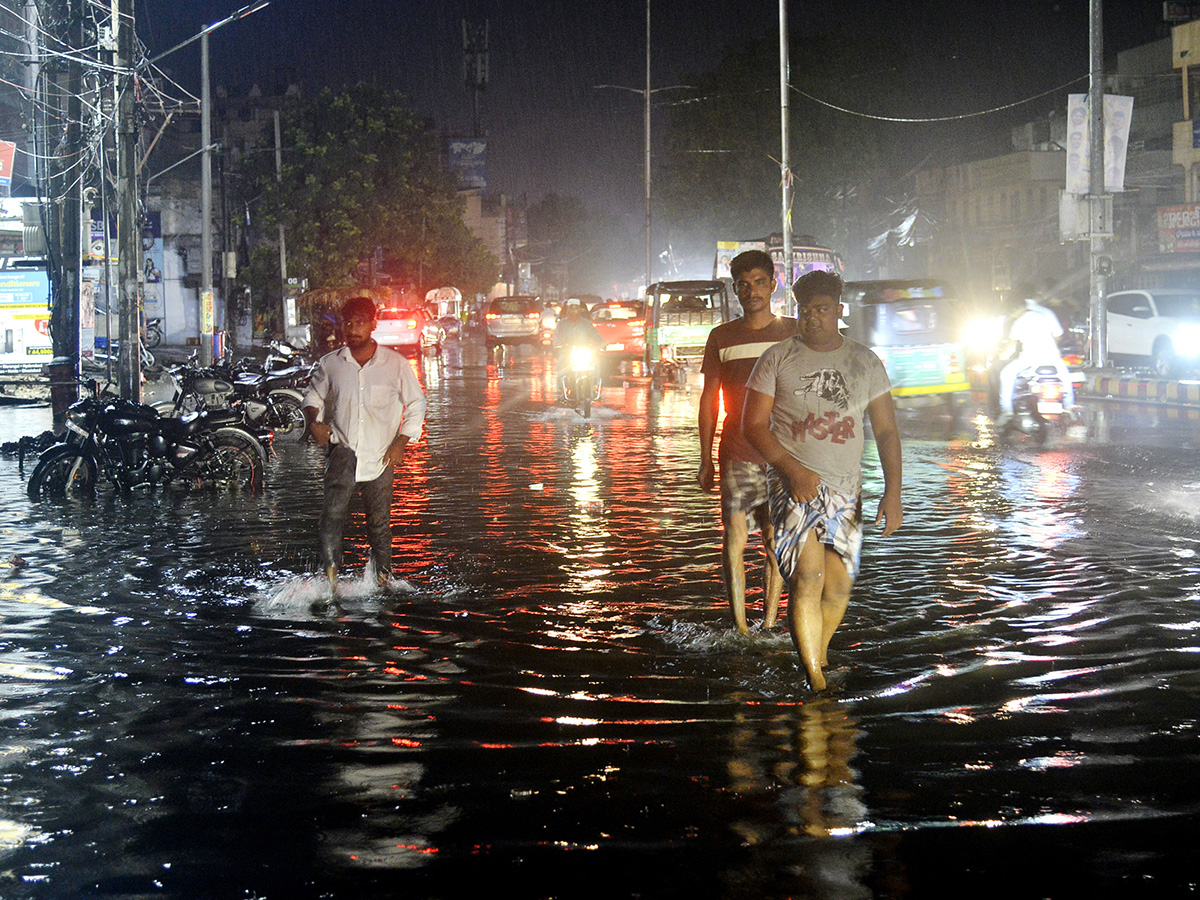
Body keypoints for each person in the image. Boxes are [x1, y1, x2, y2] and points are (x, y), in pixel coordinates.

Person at [743, 270, 903, 690]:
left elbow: (886, 431)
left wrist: (893, 493)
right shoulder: (777, 358)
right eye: (805, 310)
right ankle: (816, 682)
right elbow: (754, 425)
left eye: (821, 309)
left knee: (838, 587)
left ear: (839, 311)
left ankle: (819, 651)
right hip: (790, 484)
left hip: (846, 489)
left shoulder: (864, 361)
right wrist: (792, 469)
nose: (812, 318)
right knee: (808, 577)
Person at [698, 249, 797, 634]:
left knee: (776, 541)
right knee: (734, 539)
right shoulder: (721, 337)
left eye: (759, 282)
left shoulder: (793, 333)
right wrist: (705, 459)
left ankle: (769, 622)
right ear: (735, 290)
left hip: (784, 455)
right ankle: (740, 627)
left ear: (773, 285)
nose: (752, 291)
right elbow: (709, 399)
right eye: (743, 285)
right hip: (737, 452)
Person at [303, 296, 426, 591]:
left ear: (373, 324)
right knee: (332, 516)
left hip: (382, 454)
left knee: (379, 523)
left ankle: (382, 583)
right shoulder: (331, 364)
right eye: (349, 323)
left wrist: (402, 441)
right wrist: (313, 423)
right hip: (342, 451)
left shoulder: (395, 365)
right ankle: (331, 584)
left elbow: (416, 403)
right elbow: (312, 397)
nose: (353, 329)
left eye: (360, 322)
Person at [996, 287, 1074, 426]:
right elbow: (1058, 335)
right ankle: (1070, 407)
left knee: (1006, 374)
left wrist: (1002, 355)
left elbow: (1011, 347)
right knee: (1065, 376)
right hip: (1052, 358)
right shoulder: (1045, 313)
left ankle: (1006, 410)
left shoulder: (1019, 321)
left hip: (1029, 360)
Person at [552, 297, 603, 366]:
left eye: (576, 308)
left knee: (597, 364)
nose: (574, 311)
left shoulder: (586, 323)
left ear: (580, 310)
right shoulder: (562, 323)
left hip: (584, 352)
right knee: (561, 365)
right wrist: (557, 343)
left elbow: (594, 333)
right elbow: (557, 336)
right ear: (568, 310)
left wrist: (600, 342)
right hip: (567, 353)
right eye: (571, 308)